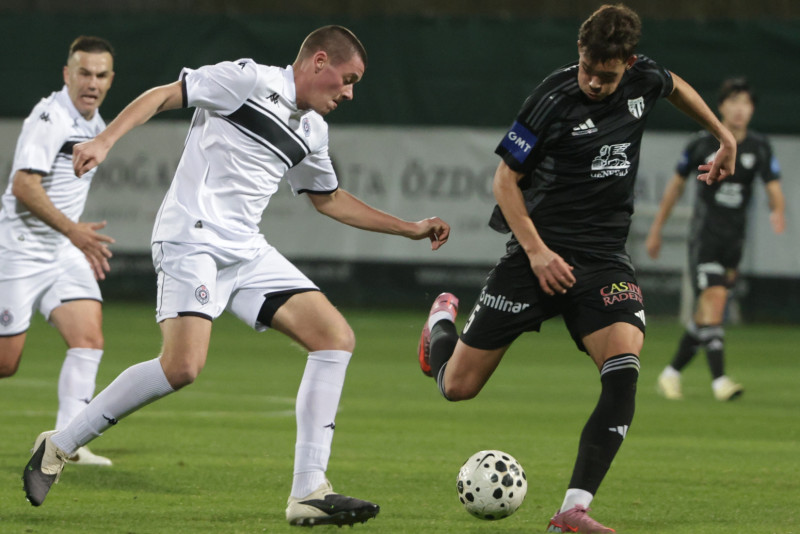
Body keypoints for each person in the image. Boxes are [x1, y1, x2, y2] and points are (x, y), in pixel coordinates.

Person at [22, 25, 450, 527]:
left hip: (245, 250)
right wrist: (104, 139)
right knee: (182, 367)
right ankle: (59, 445)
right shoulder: (248, 80)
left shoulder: (313, 130)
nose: (350, 93)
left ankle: (309, 490)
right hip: (191, 238)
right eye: (348, 79)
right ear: (319, 62)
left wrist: (409, 228)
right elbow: (165, 95)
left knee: (334, 338)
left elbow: (329, 199)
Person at [416, 5, 736, 533]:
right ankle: (441, 325)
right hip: (536, 252)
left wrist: (724, 136)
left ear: (628, 63)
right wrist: (538, 252)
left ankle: (572, 510)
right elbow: (504, 180)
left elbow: (676, 85)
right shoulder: (553, 98)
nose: (593, 81)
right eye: (587, 67)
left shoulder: (644, 77)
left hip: (603, 258)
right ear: (580, 53)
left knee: (624, 368)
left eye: (605, 75)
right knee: (458, 386)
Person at [1, 36, 117, 467]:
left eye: (100, 75)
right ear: (68, 75)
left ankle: (68, 443)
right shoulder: (50, 116)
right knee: (6, 363)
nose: (92, 83)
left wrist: (70, 237)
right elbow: (23, 185)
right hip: (20, 248)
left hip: (61, 249)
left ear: (110, 79)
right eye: (84, 73)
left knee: (88, 338)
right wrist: (74, 232)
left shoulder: (95, 122)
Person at [647, 77, 785, 402]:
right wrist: (657, 228)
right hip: (705, 238)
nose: (739, 109)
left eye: (746, 103)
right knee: (715, 303)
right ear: (720, 106)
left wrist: (777, 210)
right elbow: (676, 186)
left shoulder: (760, 147)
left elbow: (773, 185)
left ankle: (670, 374)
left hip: (734, 244)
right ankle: (720, 381)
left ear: (752, 110)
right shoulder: (700, 143)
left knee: (706, 315)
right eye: (733, 101)